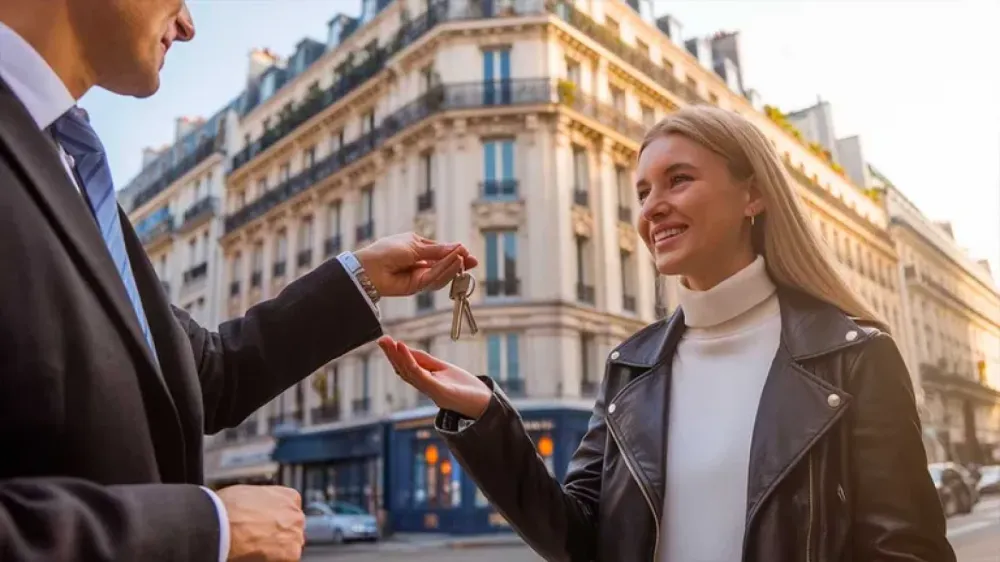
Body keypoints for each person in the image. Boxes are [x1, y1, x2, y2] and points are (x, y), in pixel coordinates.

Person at [0, 1, 477, 561]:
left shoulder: (73, 166)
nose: (187, 25)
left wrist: (360, 278)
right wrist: (204, 529)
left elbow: (206, 373)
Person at [378, 105, 955, 561]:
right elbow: (579, 539)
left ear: (752, 195)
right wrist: (487, 419)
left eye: (678, 180)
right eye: (643, 192)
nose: (653, 208)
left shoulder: (855, 358)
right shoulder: (631, 366)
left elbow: (904, 551)